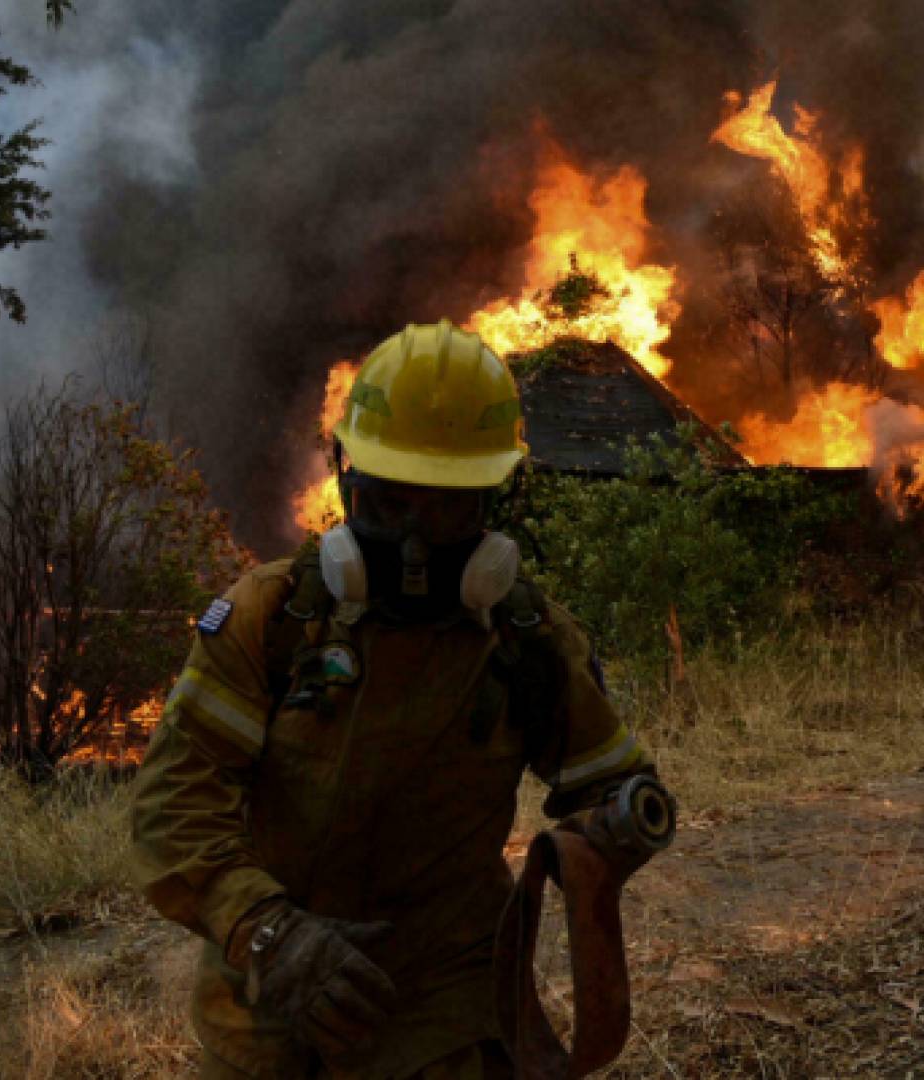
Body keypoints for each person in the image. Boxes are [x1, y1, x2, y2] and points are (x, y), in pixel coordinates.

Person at [130, 321, 666, 1079]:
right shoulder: (271, 617)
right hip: (265, 1015)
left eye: (446, 508)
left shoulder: (527, 639)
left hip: (441, 1018)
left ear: (489, 502)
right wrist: (265, 930)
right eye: (392, 503)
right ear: (346, 480)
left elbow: (609, 783)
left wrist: (617, 824)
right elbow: (172, 805)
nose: (416, 541)